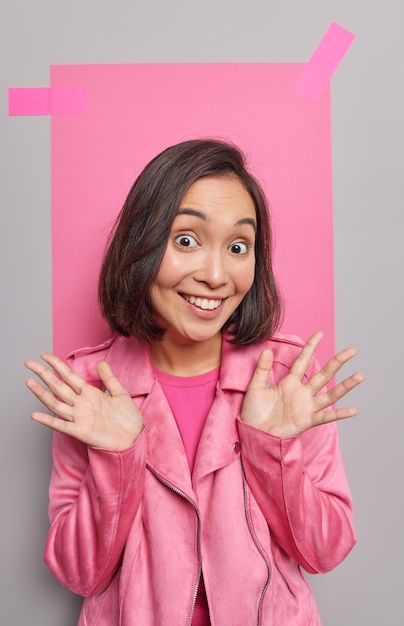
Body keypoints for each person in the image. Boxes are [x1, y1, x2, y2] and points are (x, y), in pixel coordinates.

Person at [25, 139, 363, 626]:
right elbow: (80, 574)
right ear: (140, 244)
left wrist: (273, 451)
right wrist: (116, 457)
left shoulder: (287, 382)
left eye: (238, 246)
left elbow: (325, 551)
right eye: (186, 240)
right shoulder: (89, 390)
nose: (215, 274)